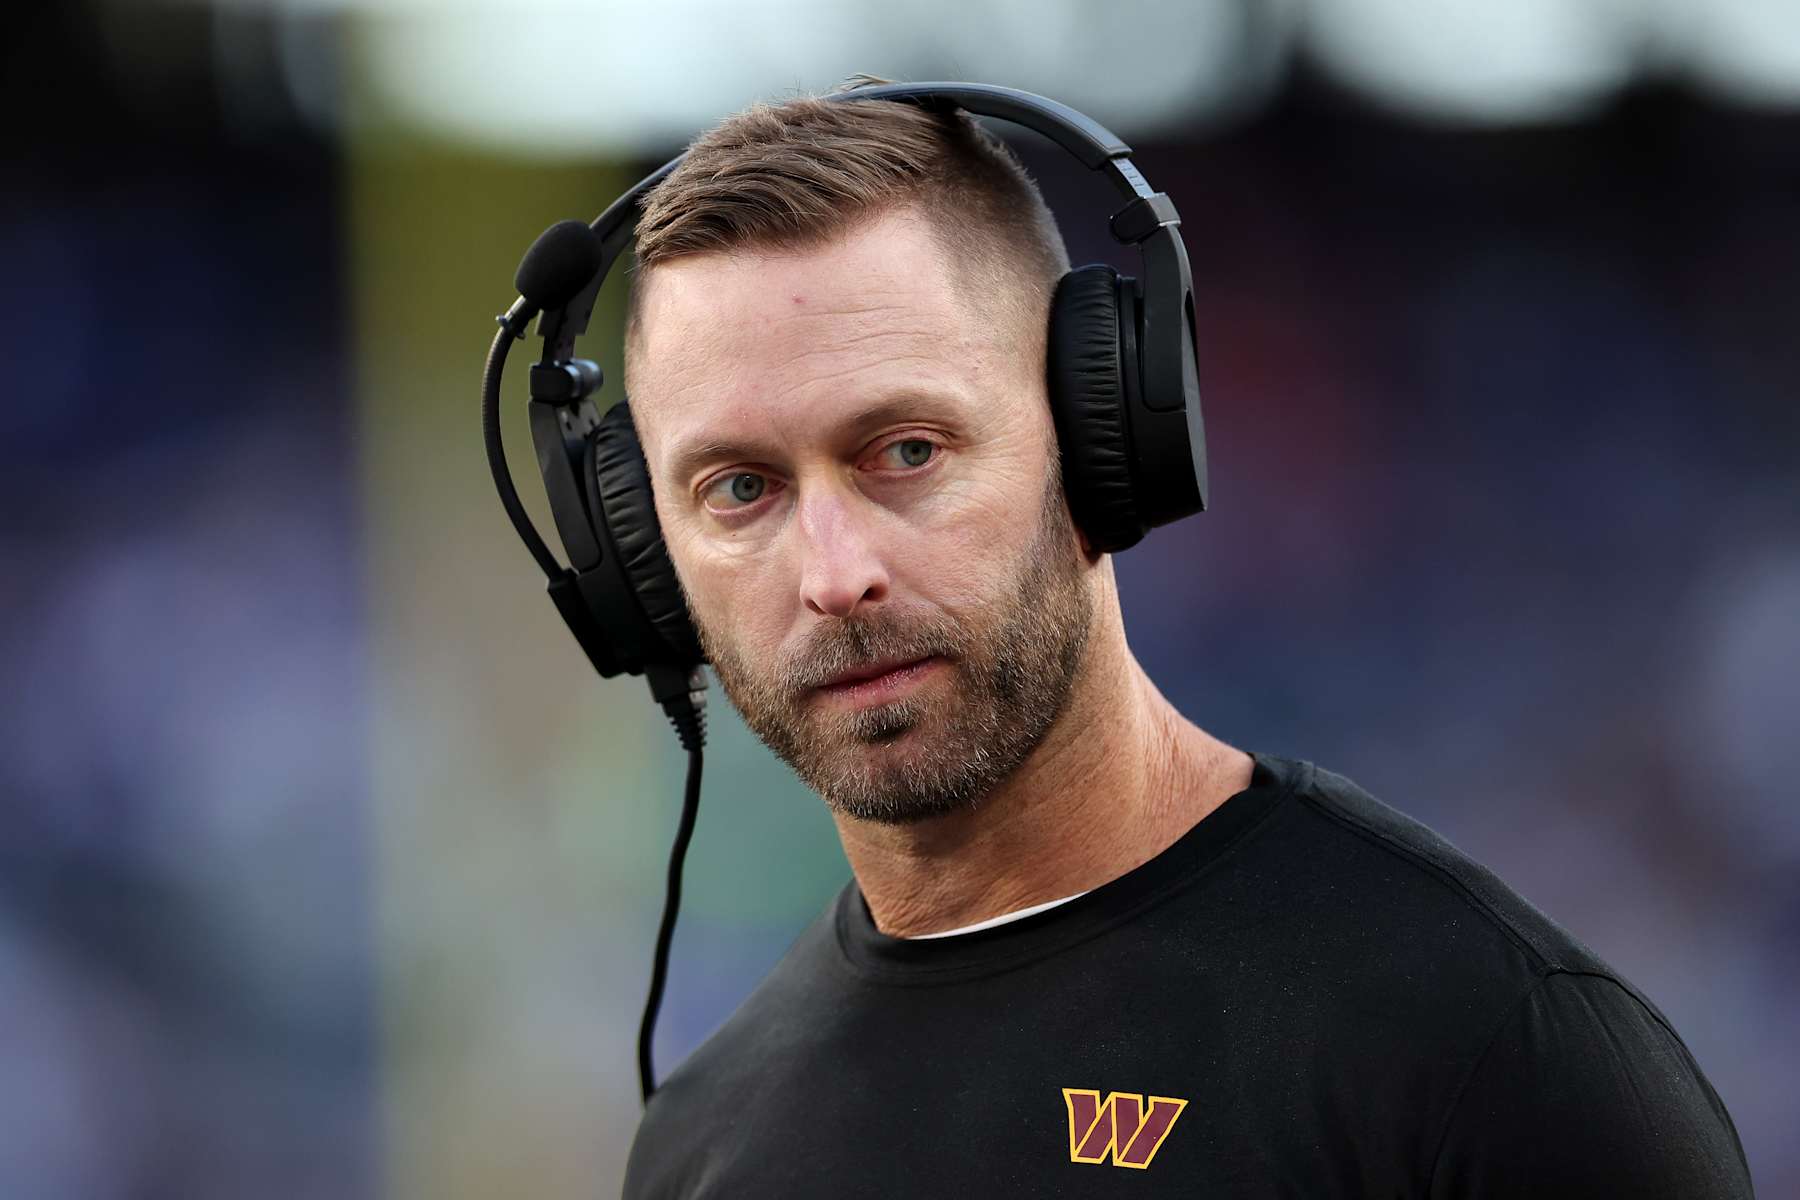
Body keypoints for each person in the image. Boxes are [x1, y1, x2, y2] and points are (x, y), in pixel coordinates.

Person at [615, 85, 1754, 1197]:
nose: (834, 574)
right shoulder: (699, 1144)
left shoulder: (1496, 1060)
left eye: (907, 451)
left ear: (1101, 432)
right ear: (639, 552)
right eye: (739, 489)